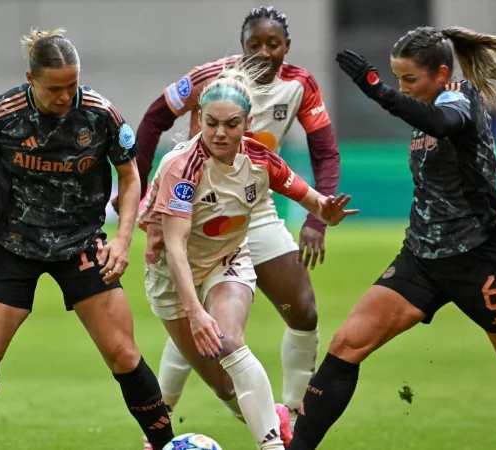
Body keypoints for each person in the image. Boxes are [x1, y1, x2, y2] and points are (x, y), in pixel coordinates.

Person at [288, 26, 496, 450]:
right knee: (347, 344)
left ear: (441, 73)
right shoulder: (424, 102)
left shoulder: (457, 99)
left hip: (480, 262)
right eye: (397, 79)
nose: (402, 88)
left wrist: (376, 90)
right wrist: (392, 93)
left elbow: (442, 123)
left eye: (410, 79)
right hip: (422, 259)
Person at [0, 29, 174, 448]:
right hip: (11, 241)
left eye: (73, 85)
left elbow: (130, 173)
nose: (66, 97)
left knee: (122, 352)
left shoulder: (101, 113)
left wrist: (120, 239)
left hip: (80, 243)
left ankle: (165, 443)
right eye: (55, 88)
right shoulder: (2, 111)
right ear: (32, 80)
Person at [114, 5, 341, 429]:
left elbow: (324, 151)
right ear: (242, 46)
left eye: (272, 44)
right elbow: (153, 118)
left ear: (286, 47)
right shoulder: (209, 79)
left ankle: (291, 414)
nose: (263, 52)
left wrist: (317, 218)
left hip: (255, 206)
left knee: (304, 310)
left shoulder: (301, 86)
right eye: (254, 44)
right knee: (194, 315)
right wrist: (139, 187)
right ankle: (163, 422)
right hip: (197, 210)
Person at [137, 65, 356, 449]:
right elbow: (174, 246)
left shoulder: (260, 159)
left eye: (232, 124)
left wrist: (325, 211)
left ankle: (271, 445)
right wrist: (195, 311)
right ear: (200, 119)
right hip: (173, 276)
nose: (220, 133)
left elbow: (308, 196)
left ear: (247, 122)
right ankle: (270, 418)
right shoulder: (182, 167)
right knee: (223, 385)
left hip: (227, 260)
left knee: (229, 341)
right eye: (211, 123)